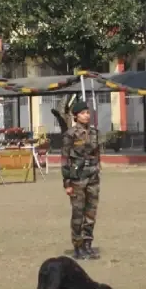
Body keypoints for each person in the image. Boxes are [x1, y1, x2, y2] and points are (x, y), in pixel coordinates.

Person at [61, 100, 102, 260]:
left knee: (91, 213)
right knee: (78, 214)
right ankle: (78, 247)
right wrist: (67, 182)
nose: (87, 115)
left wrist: (98, 168)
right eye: (83, 113)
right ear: (76, 116)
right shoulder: (70, 134)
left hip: (92, 177)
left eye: (87, 112)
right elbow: (65, 159)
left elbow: (97, 153)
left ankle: (87, 244)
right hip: (77, 179)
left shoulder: (94, 133)